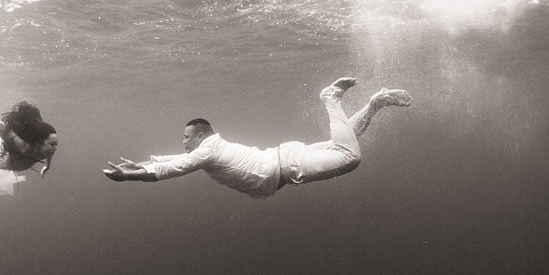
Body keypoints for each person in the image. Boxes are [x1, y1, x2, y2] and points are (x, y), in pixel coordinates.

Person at [103, 77, 411, 198]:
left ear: (200, 135)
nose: (183, 143)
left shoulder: (206, 152)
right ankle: (376, 104)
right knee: (342, 144)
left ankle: (330, 98)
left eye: (186, 138)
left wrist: (128, 178)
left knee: (350, 156)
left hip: (288, 166)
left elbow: (173, 169)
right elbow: (171, 160)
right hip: (285, 159)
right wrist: (136, 166)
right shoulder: (210, 147)